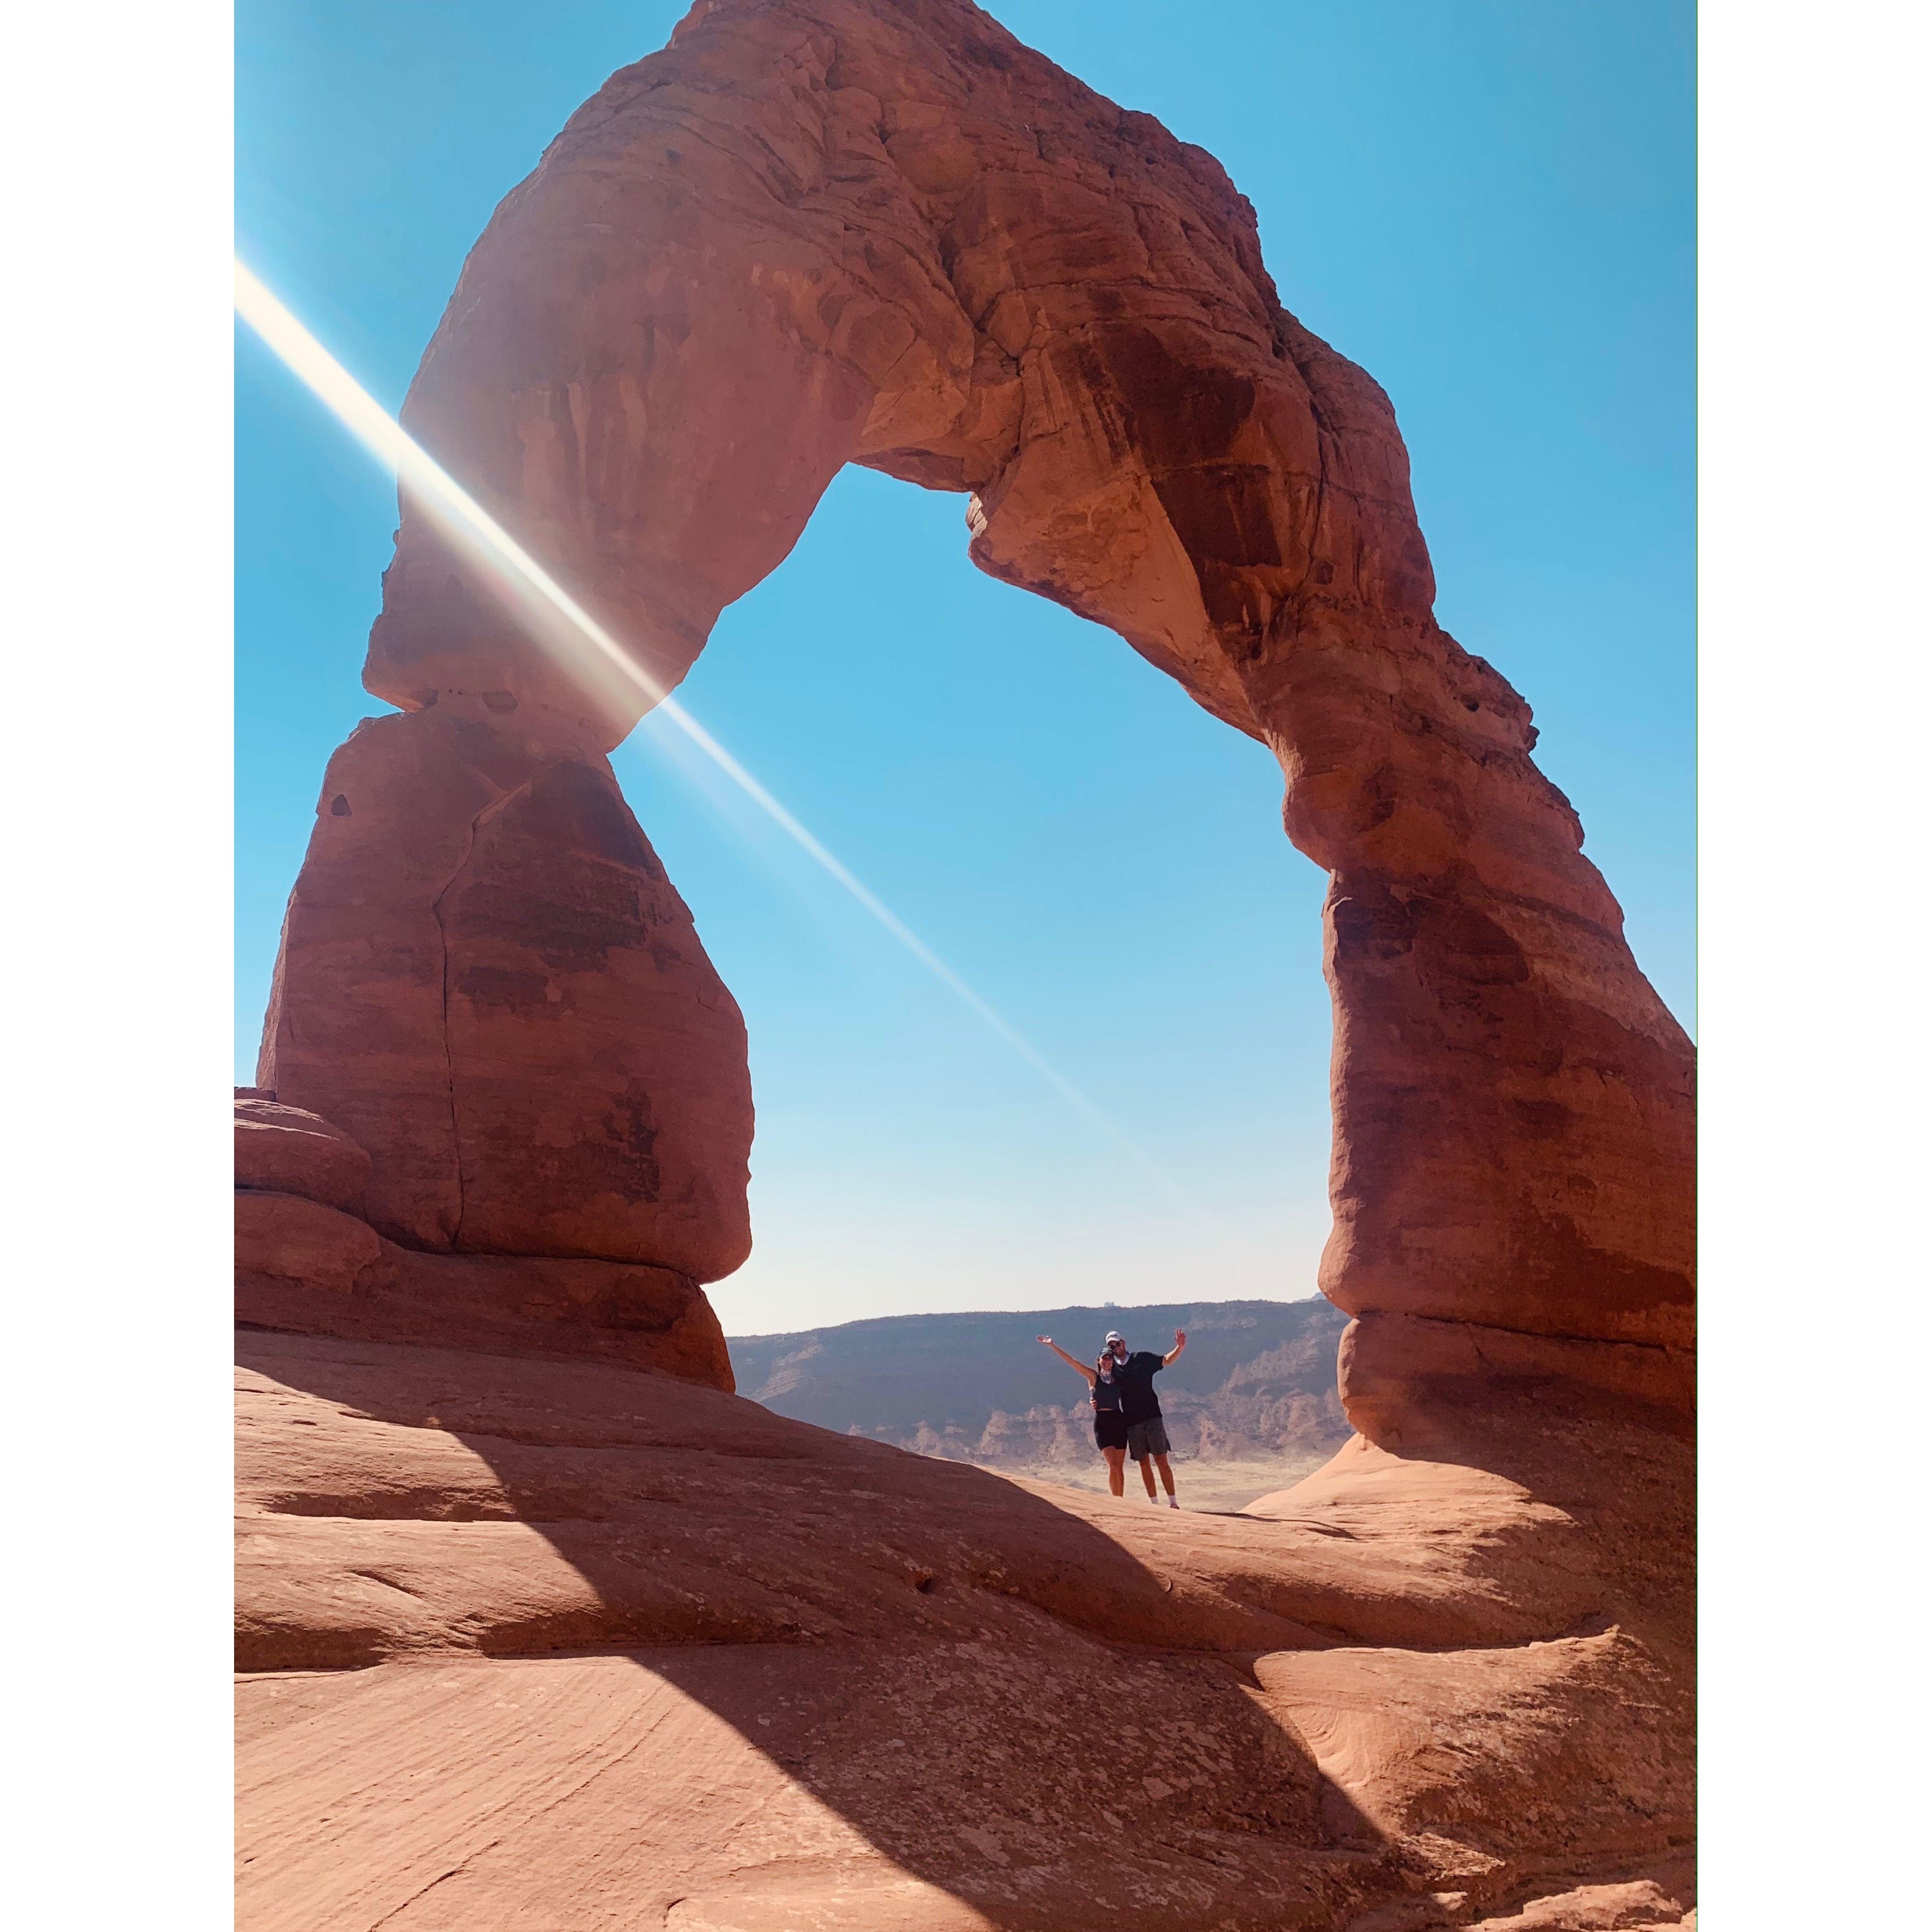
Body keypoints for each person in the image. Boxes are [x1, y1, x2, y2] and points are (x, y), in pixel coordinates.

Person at [1036, 1331, 1130, 1496]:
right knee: (1113, 1465)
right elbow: (1072, 1362)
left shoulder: (1119, 1379)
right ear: (1099, 1361)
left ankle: (1120, 1499)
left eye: (1110, 1358)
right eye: (1105, 1358)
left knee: (1120, 1467)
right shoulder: (1093, 1377)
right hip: (1103, 1423)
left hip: (1119, 1421)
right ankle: (1117, 1502)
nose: (1107, 1361)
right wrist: (1052, 1346)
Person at [1104, 1328, 1187, 1507]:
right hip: (1132, 1422)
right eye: (1111, 1347)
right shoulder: (1113, 1370)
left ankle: (1173, 1502)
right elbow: (1102, 1386)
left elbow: (1166, 1360)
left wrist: (1180, 1348)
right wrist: (1094, 1400)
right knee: (1144, 1463)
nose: (1115, 1348)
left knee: (1161, 1460)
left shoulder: (1141, 1358)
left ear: (1123, 1343)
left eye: (1117, 1344)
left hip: (1152, 1417)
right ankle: (1154, 1505)